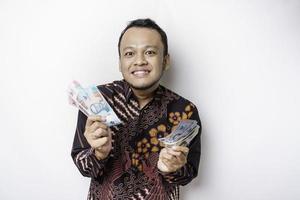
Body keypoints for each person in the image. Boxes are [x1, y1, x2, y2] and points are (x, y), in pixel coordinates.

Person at [71, 18, 202, 200]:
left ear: (165, 61)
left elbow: (188, 174)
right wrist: (99, 153)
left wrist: (174, 168)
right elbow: (85, 168)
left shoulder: (185, 110)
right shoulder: (96, 100)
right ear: (120, 62)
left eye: (149, 52)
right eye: (129, 53)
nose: (139, 61)